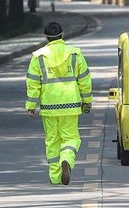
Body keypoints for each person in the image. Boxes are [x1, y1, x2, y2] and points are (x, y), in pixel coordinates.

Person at [26, 21, 92, 185]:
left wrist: (31, 105)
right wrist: (87, 101)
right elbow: (84, 80)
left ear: (45, 37)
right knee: (70, 138)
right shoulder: (75, 54)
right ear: (62, 35)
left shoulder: (38, 56)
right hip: (70, 105)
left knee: (52, 141)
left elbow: (33, 83)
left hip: (49, 106)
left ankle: (55, 177)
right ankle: (67, 160)